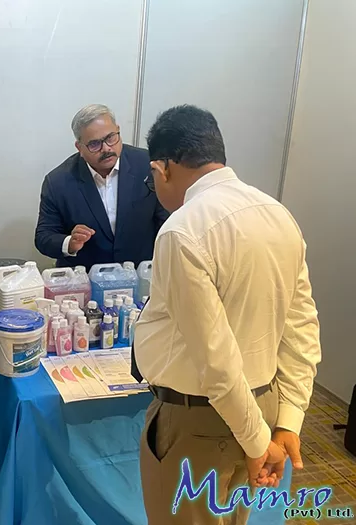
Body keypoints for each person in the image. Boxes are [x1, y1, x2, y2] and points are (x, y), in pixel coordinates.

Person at [132, 105, 322, 524]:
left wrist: (256, 443)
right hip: (264, 407)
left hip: (200, 421)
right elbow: (302, 331)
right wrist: (286, 424)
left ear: (162, 168)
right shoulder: (278, 214)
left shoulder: (183, 229)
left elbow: (216, 361)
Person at [34, 104, 168, 270]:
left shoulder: (147, 164)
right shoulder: (58, 182)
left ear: (118, 130)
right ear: (79, 147)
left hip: (140, 273)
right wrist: (70, 243)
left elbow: (166, 219)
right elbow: (44, 236)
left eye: (111, 137)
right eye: (94, 144)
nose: (106, 148)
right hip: (86, 278)